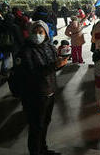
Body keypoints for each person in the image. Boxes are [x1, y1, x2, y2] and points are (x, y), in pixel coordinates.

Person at [13, 20, 67, 155]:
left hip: (49, 92)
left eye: (40, 32)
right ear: (29, 33)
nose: (37, 35)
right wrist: (54, 65)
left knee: (45, 123)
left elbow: (52, 68)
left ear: (46, 34)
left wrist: (61, 62)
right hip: (34, 95)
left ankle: (43, 149)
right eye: (35, 32)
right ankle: (35, 152)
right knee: (36, 127)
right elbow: (31, 75)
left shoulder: (49, 47)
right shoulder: (25, 52)